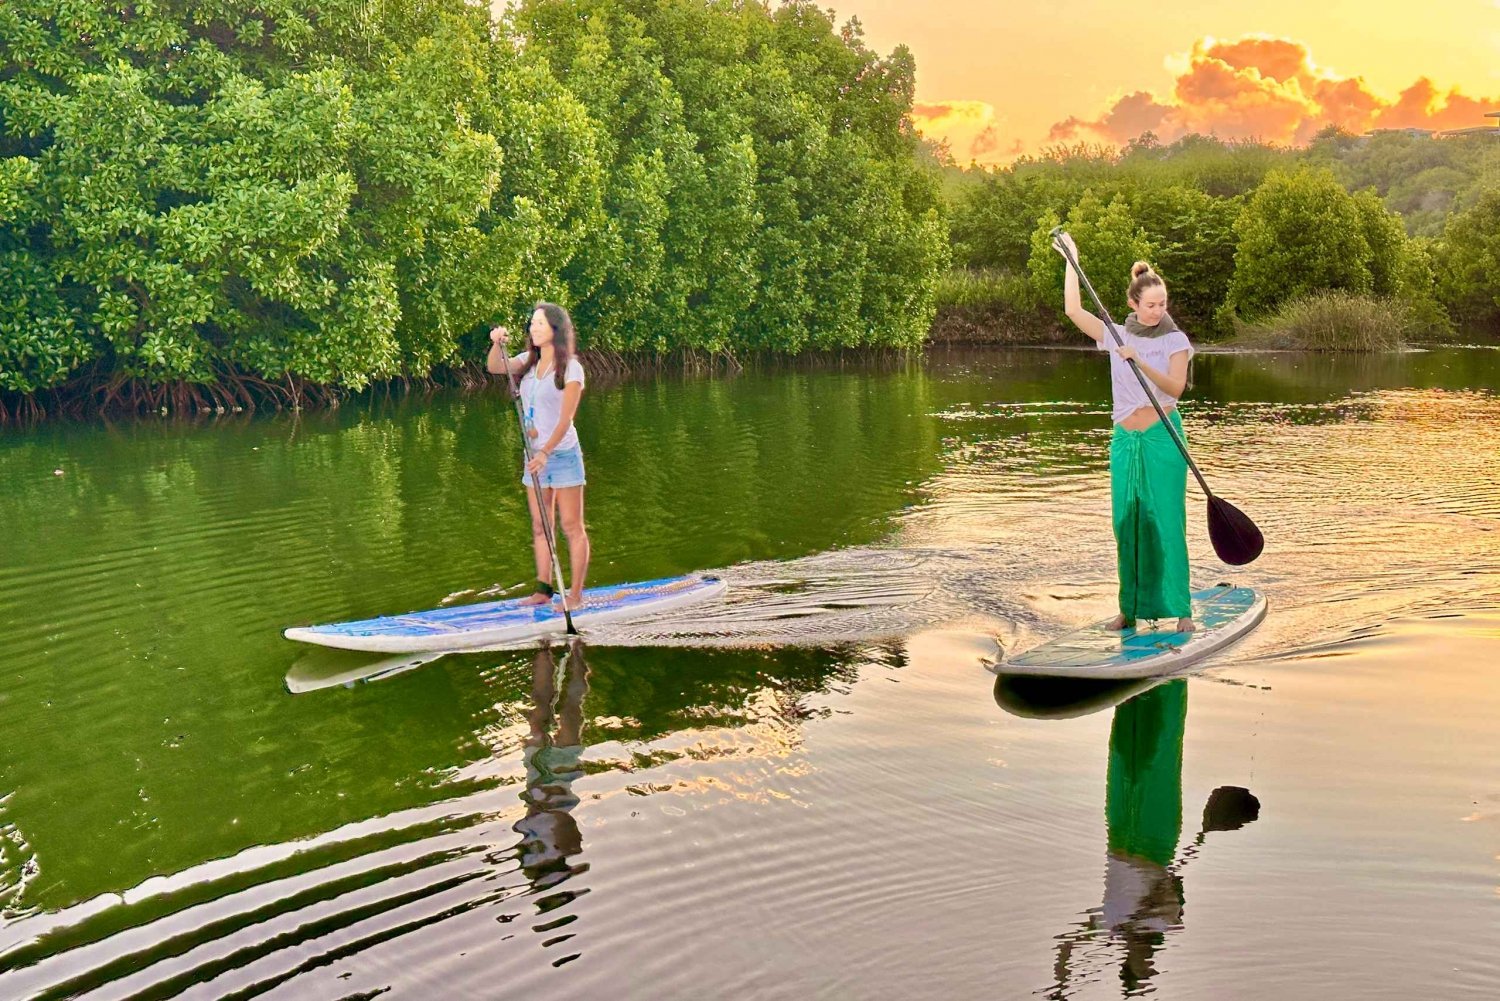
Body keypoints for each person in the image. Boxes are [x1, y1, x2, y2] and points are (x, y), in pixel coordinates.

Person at [1053, 233, 1196, 632]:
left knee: (1166, 518)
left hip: (1162, 437)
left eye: (1162, 304)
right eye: (1150, 305)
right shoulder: (1116, 333)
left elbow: (1175, 389)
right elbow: (1073, 310)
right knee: (1127, 521)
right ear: (1133, 304)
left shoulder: (1175, 340)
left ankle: (1182, 610)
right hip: (1125, 441)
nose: (1157, 311)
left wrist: (1139, 361)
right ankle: (1129, 609)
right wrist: (1072, 259)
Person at [488, 303, 590, 608]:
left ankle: (574, 596)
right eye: (532, 324)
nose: (534, 328)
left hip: (562, 456)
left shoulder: (571, 368)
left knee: (571, 526)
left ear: (555, 330)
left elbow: (566, 419)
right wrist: (496, 343)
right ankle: (543, 591)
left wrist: (546, 452)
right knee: (539, 526)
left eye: (541, 324)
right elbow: (495, 367)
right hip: (533, 457)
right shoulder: (528, 363)